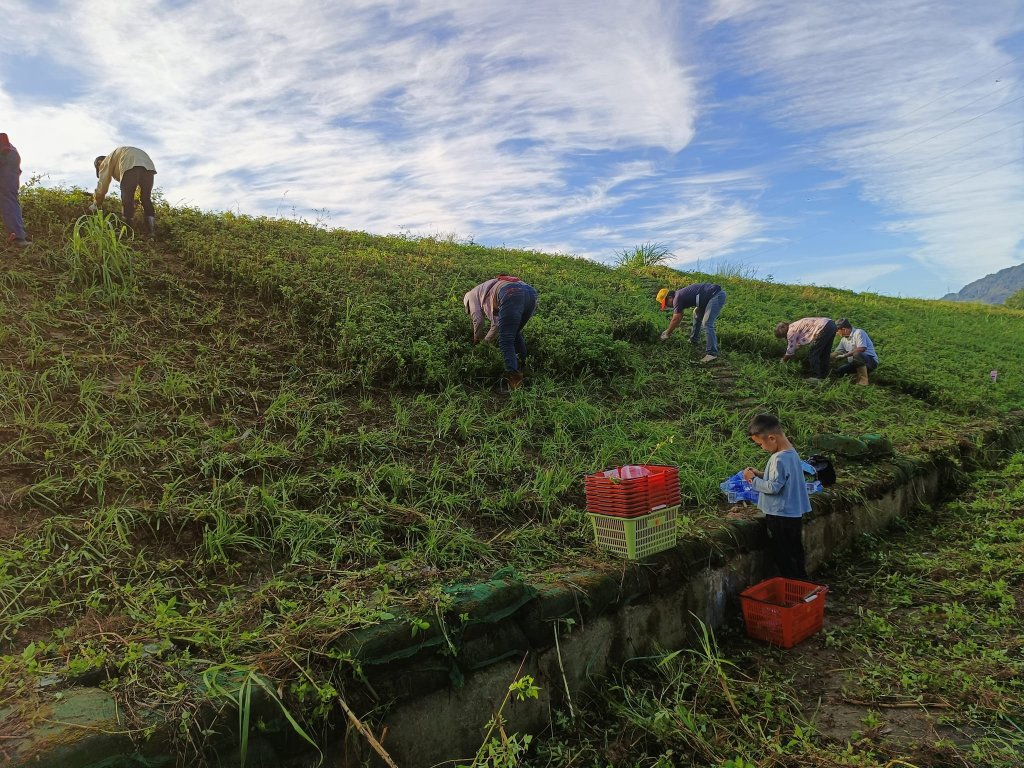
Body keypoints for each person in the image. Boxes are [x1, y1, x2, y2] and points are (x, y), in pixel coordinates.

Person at [743, 413, 811, 579]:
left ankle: (791, 586)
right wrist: (760, 474)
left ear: (772, 438)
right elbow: (784, 479)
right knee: (795, 552)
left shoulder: (778, 459)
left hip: (779, 515)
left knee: (783, 556)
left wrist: (752, 479)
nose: (762, 448)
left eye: (761, 444)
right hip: (792, 514)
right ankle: (802, 582)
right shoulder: (791, 453)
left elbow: (774, 487)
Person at [463, 275, 538, 390]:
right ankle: (524, 366)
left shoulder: (472, 296)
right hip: (530, 293)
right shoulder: (483, 291)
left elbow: (478, 320)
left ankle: (515, 381)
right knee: (515, 332)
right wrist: (485, 343)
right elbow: (497, 324)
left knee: (506, 340)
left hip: (511, 293)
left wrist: (477, 341)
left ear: (467, 302)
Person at [91, 146, 158, 235]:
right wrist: (136, 199)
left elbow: (103, 183)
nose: (101, 170)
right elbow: (136, 184)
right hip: (148, 165)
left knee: (127, 198)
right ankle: (151, 232)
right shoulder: (117, 157)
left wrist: (96, 203)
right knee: (145, 198)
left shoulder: (105, 161)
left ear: (99, 163)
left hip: (130, 163)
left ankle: (127, 232)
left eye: (100, 169)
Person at [656, 283, 727, 362]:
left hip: (715, 296)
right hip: (708, 298)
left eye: (666, 304)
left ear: (669, 298)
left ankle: (712, 353)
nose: (667, 306)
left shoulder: (677, 298)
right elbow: (680, 315)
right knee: (696, 313)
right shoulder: (678, 296)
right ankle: (694, 340)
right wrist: (668, 331)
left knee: (707, 322)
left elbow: (676, 318)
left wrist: (667, 334)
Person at [0, 133, 30, 248]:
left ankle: (18, 237)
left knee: (6, 195)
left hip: (5, 154)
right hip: (9, 155)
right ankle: (17, 234)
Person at [831, 318, 878, 385]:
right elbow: (837, 352)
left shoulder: (859, 332)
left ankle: (863, 382)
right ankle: (852, 378)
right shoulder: (843, 340)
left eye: (837, 331)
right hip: (855, 363)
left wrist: (845, 355)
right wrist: (830, 356)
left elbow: (861, 349)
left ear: (843, 329)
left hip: (869, 361)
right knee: (840, 371)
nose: (837, 333)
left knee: (857, 354)